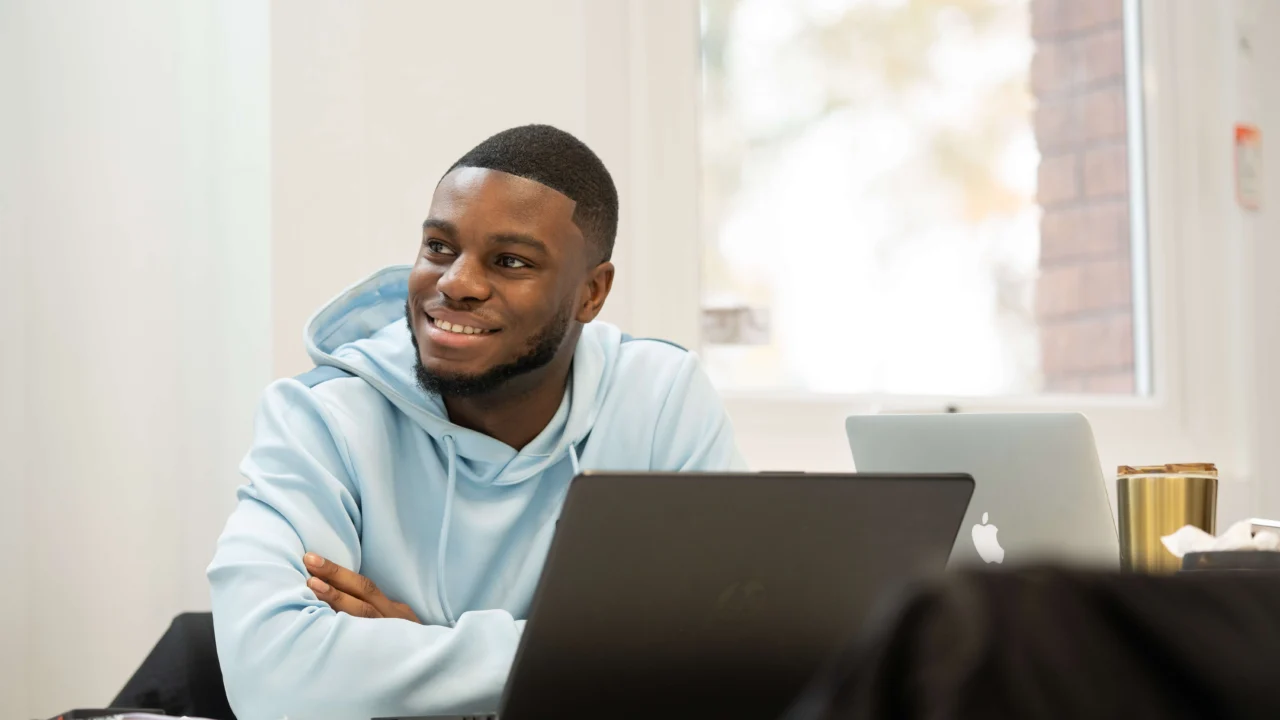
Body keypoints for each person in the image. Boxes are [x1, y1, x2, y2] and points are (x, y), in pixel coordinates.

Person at [207, 124, 745, 720]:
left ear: (591, 293)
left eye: (510, 261)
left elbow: (731, 657)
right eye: (439, 247)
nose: (456, 283)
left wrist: (413, 657)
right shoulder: (322, 416)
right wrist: (604, 658)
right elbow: (273, 679)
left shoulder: (661, 398)